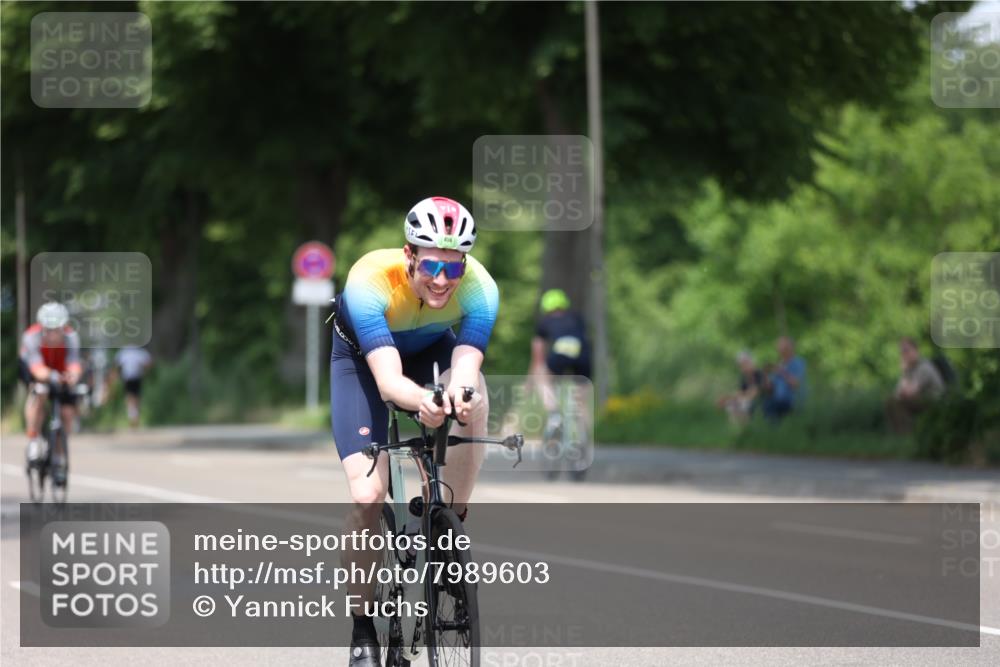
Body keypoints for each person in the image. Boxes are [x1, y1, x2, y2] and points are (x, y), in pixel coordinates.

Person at [330, 196, 497, 666]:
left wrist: (459, 397)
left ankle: (450, 523)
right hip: (363, 361)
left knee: (474, 395)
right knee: (367, 497)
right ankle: (363, 628)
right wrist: (423, 400)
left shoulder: (481, 288)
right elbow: (387, 381)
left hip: (429, 351)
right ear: (408, 255)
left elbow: (465, 366)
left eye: (453, 268)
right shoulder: (368, 281)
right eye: (430, 266)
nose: (442, 281)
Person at [18, 302, 83, 483]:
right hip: (35, 370)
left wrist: (73, 376)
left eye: (57, 329)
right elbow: (37, 368)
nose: (53, 334)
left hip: (60, 370)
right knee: (39, 393)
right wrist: (52, 376)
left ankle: (59, 458)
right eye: (49, 329)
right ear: (42, 326)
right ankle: (33, 440)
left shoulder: (71, 337)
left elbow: (74, 363)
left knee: (67, 412)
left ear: (64, 327)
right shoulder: (31, 337)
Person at [885, 337, 945, 434]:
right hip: (920, 400)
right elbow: (898, 393)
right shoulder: (910, 369)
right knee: (891, 401)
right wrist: (905, 373)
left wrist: (904, 373)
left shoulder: (924, 367)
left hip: (934, 401)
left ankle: (907, 433)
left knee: (897, 402)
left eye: (906, 350)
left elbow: (910, 392)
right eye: (902, 352)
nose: (904, 354)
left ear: (916, 350)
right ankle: (902, 434)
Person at [761, 335, 807, 422]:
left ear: (789, 348)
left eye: (781, 346)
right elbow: (770, 388)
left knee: (770, 406)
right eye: (778, 346)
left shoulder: (798, 362)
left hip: (792, 401)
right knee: (765, 403)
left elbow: (796, 384)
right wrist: (765, 376)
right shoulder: (780, 364)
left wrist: (781, 371)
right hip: (777, 400)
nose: (779, 349)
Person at [716, 350, 763, 425]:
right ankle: (736, 430)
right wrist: (727, 399)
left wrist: (735, 398)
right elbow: (740, 392)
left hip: (760, 401)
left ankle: (745, 429)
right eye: (741, 365)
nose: (743, 367)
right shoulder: (744, 378)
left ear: (751, 362)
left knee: (741, 405)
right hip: (747, 400)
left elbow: (754, 393)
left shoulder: (759, 374)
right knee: (731, 405)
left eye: (745, 363)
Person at [113, 346, 153, 428]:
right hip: (131, 378)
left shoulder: (126, 352)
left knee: (132, 398)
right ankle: (134, 418)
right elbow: (148, 363)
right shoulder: (136, 352)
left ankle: (133, 417)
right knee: (133, 398)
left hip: (133, 377)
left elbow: (117, 365)